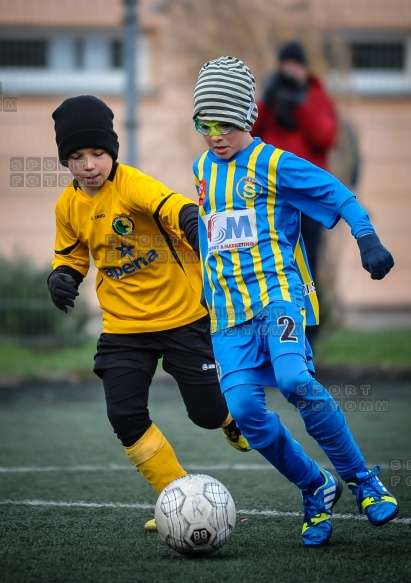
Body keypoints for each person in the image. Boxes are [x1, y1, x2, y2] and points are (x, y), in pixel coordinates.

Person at [191, 56, 398, 547]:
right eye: (204, 123)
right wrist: (205, 285)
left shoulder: (273, 163)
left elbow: (339, 194)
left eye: (225, 122)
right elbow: (211, 230)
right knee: (243, 410)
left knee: (295, 379)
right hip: (229, 317)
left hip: (279, 299)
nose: (214, 134)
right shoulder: (201, 169)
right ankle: (315, 486)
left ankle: (364, 481)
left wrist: (367, 237)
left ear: (248, 116)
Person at [47, 94, 250, 532]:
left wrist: (196, 229)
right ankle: (177, 495)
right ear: (67, 160)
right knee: (124, 415)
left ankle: (228, 418)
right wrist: (61, 277)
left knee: (206, 414)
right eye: (77, 157)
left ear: (112, 152)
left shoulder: (134, 184)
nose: (88, 165)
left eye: (97, 153)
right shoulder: (68, 205)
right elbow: (71, 254)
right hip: (123, 328)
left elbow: (179, 209)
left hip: (182, 317)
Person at [251, 41, 339, 342]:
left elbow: (324, 137)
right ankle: (269, 330)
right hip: (269, 199)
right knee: (267, 262)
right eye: (284, 65)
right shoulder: (273, 98)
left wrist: (299, 102)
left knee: (306, 266)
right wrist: (267, 98)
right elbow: (249, 133)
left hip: (307, 202)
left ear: (304, 68)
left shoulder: (316, 97)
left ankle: (306, 335)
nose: (289, 71)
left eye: (294, 65)